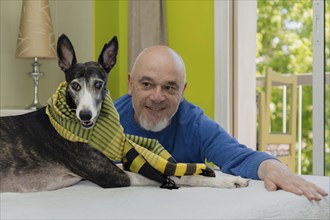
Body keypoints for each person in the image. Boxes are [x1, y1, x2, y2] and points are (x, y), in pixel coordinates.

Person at [114, 45, 328, 201]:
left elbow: (238, 156)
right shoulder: (107, 118)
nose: (157, 96)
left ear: (182, 91)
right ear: (131, 84)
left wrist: (274, 169)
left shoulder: (194, 124)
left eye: (169, 87)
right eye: (147, 84)